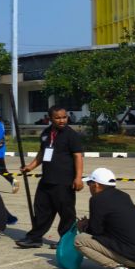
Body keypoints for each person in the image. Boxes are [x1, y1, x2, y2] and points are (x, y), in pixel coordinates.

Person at [16, 105, 84, 249]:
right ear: (50, 118)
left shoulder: (71, 135)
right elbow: (42, 153)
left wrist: (78, 178)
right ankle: (35, 238)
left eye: (64, 117)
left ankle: (65, 241)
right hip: (47, 179)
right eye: (58, 118)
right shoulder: (46, 133)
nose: (62, 120)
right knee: (41, 209)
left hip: (64, 181)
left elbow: (78, 156)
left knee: (66, 212)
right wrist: (30, 166)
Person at [75, 168, 135, 269]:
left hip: (134, 255)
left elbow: (95, 231)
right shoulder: (123, 196)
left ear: (96, 185)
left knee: (80, 240)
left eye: (89, 183)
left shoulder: (97, 199)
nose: (89, 186)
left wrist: (83, 227)